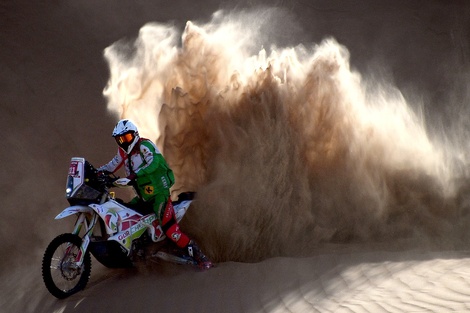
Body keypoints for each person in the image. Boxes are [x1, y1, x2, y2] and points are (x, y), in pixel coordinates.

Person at [98, 119, 212, 269]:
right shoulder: (123, 152)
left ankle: (200, 257)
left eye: (127, 138)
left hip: (159, 195)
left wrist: (135, 175)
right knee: (122, 209)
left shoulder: (145, 146)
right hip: (143, 197)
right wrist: (97, 172)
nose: (124, 142)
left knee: (170, 230)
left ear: (135, 135)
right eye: (120, 139)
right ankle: (136, 249)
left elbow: (154, 162)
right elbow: (112, 165)